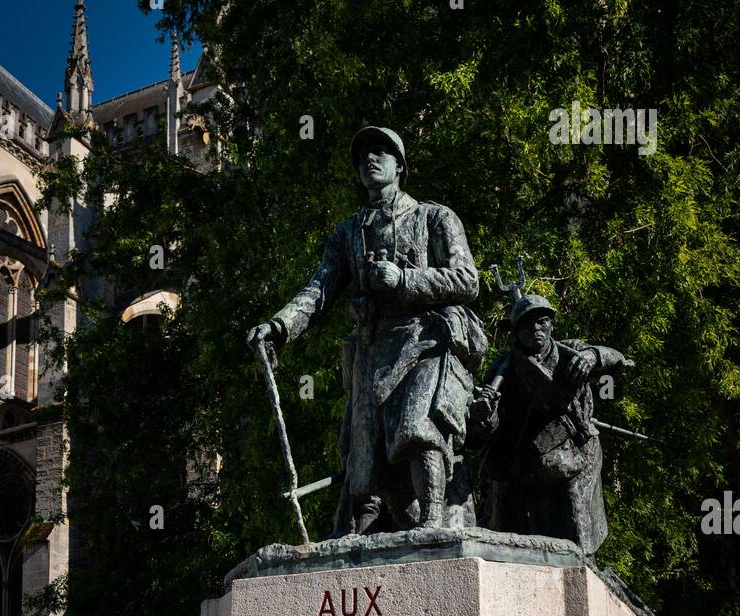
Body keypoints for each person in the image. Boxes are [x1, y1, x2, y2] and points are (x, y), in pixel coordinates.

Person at [247, 126, 485, 533]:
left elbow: (467, 280)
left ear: (400, 166)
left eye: (380, 152)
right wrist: (279, 326)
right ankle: (374, 528)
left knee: (418, 428)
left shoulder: (434, 217)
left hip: (425, 340)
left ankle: (433, 523)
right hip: (372, 351)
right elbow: (319, 289)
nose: (370, 160)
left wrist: (404, 280)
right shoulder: (347, 233)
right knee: (363, 462)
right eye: (363, 156)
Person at [469, 294, 633, 554]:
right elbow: (489, 431)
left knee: (577, 535)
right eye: (527, 325)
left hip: (575, 453)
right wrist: (484, 416)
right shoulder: (503, 370)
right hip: (528, 460)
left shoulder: (572, 351)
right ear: (516, 332)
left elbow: (619, 361)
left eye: (542, 322)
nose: (536, 329)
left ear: (551, 325)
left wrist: (594, 356)